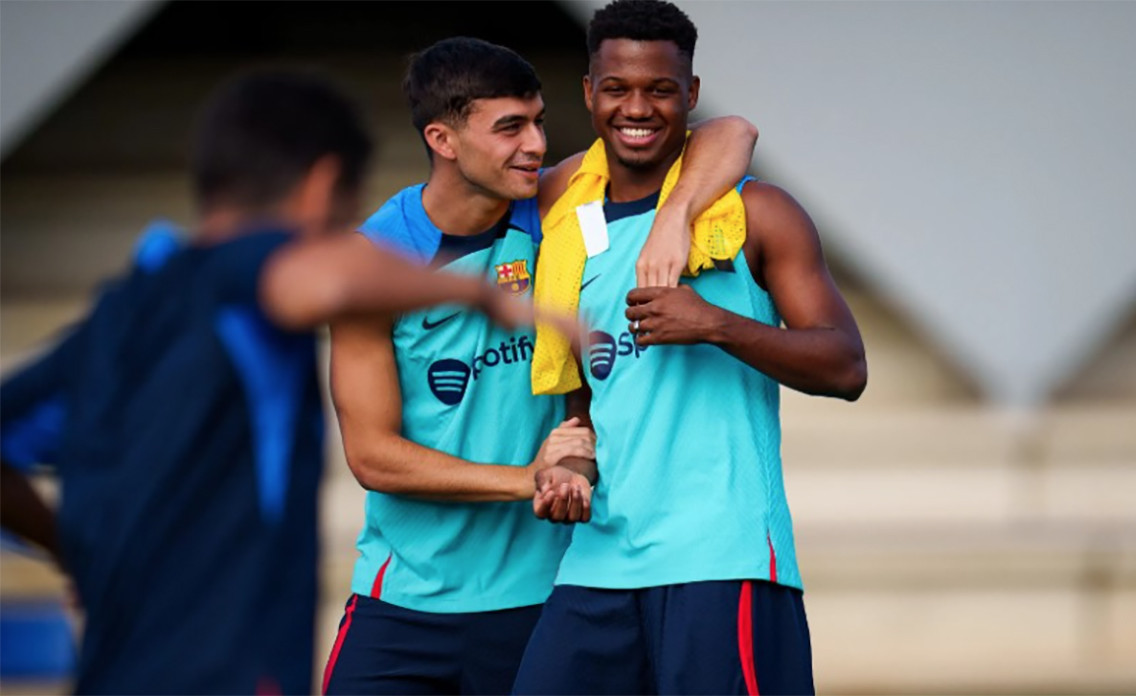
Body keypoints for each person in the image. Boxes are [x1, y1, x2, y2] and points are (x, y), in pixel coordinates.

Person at [0, 69, 547, 696]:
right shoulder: (250, 276)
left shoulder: (121, 314)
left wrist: (71, 553)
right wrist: (481, 295)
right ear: (321, 185)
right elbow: (316, 281)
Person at [321, 36, 758, 695]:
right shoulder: (374, 264)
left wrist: (675, 216)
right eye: (509, 128)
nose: (534, 145)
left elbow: (730, 131)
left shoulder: (553, 206)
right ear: (443, 138)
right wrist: (529, 479)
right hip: (403, 606)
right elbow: (372, 456)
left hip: (543, 604)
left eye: (538, 122)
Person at [515, 1, 868, 694]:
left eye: (661, 89)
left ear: (692, 95)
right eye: (617, 88)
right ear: (589, 93)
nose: (637, 107)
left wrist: (714, 323)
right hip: (599, 558)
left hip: (720, 559)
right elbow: (591, 389)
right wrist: (575, 455)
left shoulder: (756, 212)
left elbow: (846, 365)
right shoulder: (563, 214)